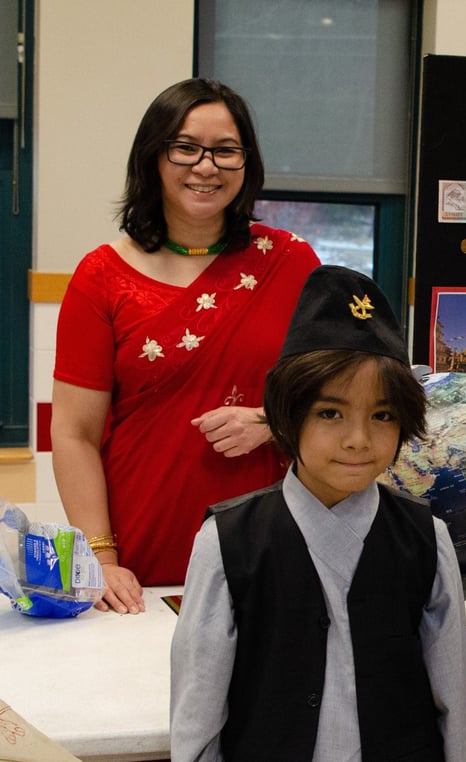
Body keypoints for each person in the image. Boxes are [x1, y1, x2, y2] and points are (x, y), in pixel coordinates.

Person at [170, 265, 466, 762]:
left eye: (382, 416)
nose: (358, 439)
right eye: (330, 413)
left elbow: (452, 698)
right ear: (287, 416)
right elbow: (198, 708)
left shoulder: (427, 537)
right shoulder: (228, 540)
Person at [50, 78, 320, 614]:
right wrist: (101, 559)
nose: (206, 166)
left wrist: (272, 422)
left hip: (269, 548)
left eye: (226, 150)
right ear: (154, 156)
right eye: (186, 148)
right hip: (138, 559)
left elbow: (343, 395)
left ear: (247, 163)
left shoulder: (290, 262)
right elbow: (73, 432)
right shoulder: (102, 276)